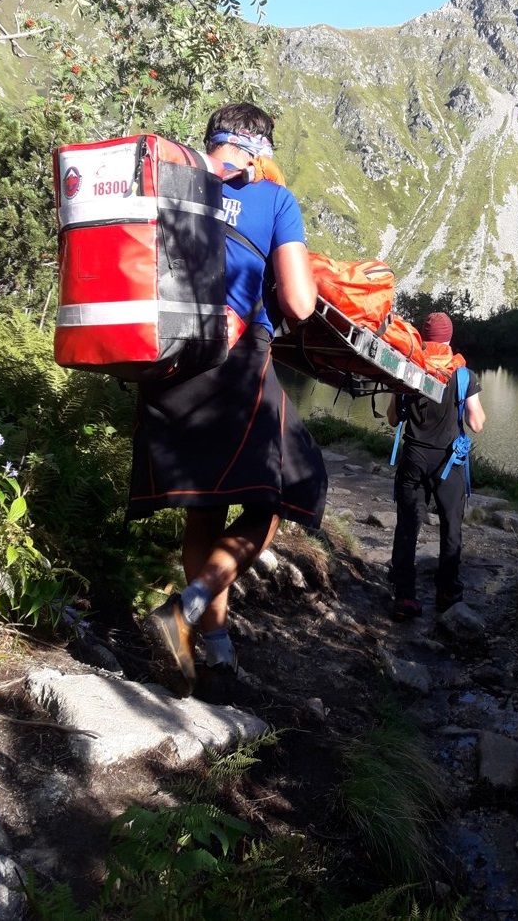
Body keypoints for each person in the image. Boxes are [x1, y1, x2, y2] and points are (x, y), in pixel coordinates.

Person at [128, 101, 327, 698]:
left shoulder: (172, 182)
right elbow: (299, 304)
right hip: (233, 365)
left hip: (165, 361)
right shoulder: (275, 199)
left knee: (205, 507)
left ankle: (214, 654)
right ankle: (184, 609)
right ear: (262, 148)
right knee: (289, 490)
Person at [386, 311, 485, 621]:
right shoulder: (464, 375)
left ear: (423, 337)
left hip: (414, 457)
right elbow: (476, 423)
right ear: (449, 338)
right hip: (448, 462)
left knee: (407, 526)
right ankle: (447, 593)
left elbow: (393, 418)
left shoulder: (407, 368)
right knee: (451, 526)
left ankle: (404, 597)